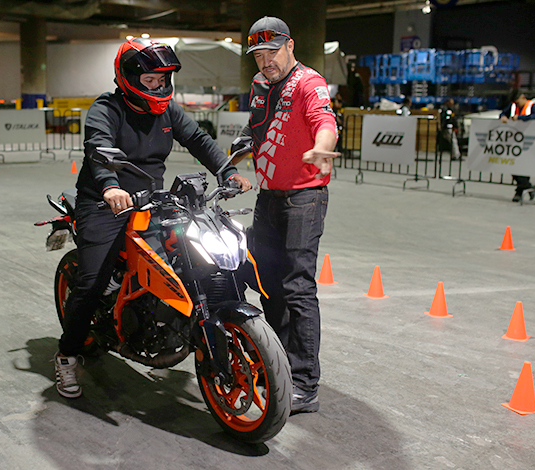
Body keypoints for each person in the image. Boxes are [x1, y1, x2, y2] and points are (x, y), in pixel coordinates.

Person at [54, 38, 252, 398]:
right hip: (105, 203)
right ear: (129, 78)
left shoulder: (168, 111)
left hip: (154, 201)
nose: (158, 87)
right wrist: (110, 187)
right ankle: (67, 355)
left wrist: (226, 170)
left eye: (162, 80)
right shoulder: (106, 109)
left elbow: (197, 139)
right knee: (92, 281)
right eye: (150, 80)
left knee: (196, 258)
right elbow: (99, 148)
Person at [235, 16, 338, 414]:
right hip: (269, 198)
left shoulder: (309, 82)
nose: (266, 62)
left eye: (272, 52)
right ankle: (279, 367)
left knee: (297, 287)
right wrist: (235, 153)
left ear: (290, 45)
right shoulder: (259, 85)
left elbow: (324, 122)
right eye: (258, 56)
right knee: (269, 285)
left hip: (303, 199)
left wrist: (322, 147)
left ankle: (305, 383)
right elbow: (256, 128)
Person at [499, 90, 535, 202]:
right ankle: (528, 188)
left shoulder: (533, 106)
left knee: (523, 168)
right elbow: (503, 113)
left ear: (522, 97)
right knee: (513, 166)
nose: (516, 105)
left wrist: (520, 118)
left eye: (518, 102)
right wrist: (503, 117)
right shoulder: (513, 106)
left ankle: (519, 192)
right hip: (515, 142)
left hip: (528, 142)